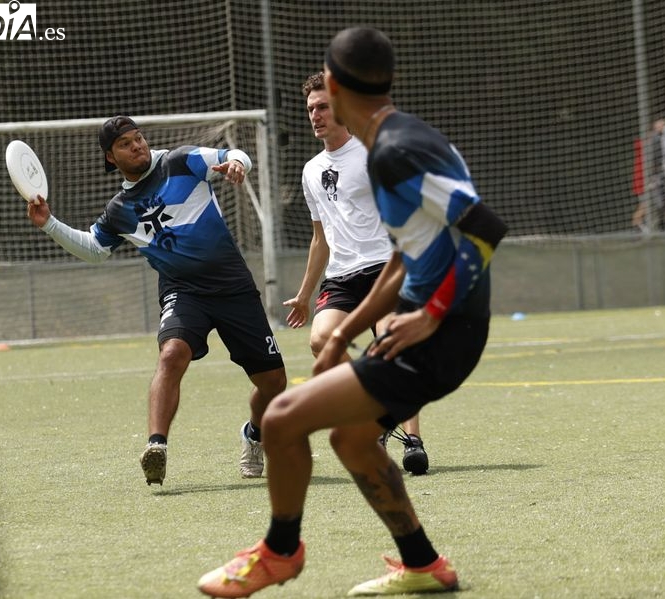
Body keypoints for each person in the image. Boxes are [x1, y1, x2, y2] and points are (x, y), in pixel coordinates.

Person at [198, 27, 507, 597]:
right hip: (445, 324)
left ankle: (279, 554)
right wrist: (342, 331)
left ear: (334, 86)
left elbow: (484, 228)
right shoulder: (402, 137)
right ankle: (423, 565)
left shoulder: (392, 153)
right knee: (351, 438)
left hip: (443, 330)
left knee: (283, 417)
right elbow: (405, 250)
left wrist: (432, 314)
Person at [27, 116, 287, 485]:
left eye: (139, 138)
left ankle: (254, 434)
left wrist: (236, 164)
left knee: (274, 382)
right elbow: (95, 249)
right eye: (125, 144)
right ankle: (156, 447)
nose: (137, 145)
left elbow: (233, 153)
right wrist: (49, 223)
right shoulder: (119, 209)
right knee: (172, 353)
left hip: (233, 288)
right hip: (184, 292)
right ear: (110, 157)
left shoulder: (181, 161)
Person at [283, 71, 429, 476]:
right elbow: (319, 240)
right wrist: (304, 294)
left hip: (384, 268)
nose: (315, 115)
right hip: (342, 276)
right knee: (321, 341)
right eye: (310, 108)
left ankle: (412, 439)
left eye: (323, 107)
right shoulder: (311, 170)